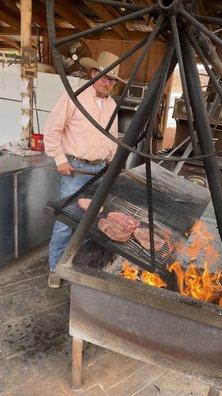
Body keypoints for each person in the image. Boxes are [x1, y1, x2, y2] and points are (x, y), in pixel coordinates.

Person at [44, 51, 123, 288]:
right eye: (105, 77)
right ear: (93, 73)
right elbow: (52, 129)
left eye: (112, 80)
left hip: (99, 170)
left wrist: (112, 163)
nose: (108, 83)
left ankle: (80, 267)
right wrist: (59, 158)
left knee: (92, 223)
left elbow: (111, 136)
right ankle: (55, 269)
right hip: (75, 169)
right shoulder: (73, 97)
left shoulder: (112, 104)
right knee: (66, 222)